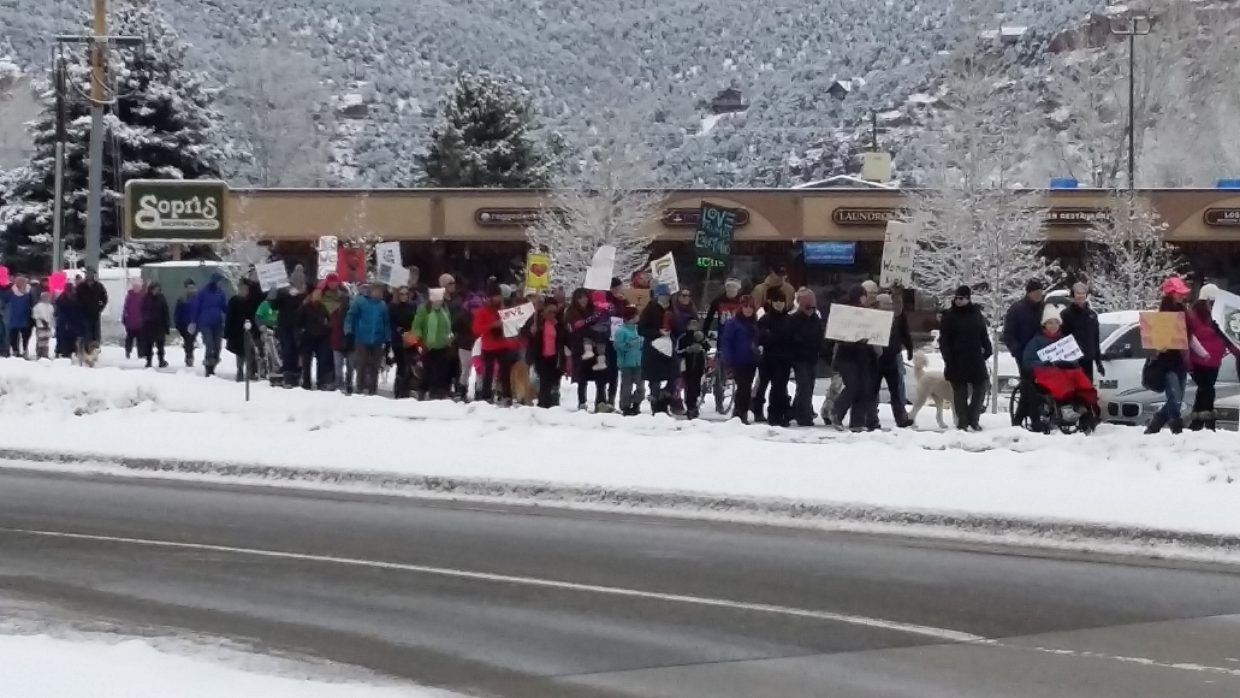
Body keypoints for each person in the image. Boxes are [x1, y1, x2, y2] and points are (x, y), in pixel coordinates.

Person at [1023, 304, 1100, 430]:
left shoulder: (1065, 340)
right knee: (1060, 378)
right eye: (1050, 323)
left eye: (1056, 323)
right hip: (1045, 371)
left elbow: (1074, 355)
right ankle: (1066, 407)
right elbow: (1027, 361)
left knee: (1079, 376)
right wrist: (1043, 363)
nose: (1053, 326)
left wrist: (1071, 362)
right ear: (1044, 324)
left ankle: (1086, 407)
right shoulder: (1036, 341)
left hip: (1065, 369)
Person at [1144, 277, 1197, 435]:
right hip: (1167, 363)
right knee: (1175, 398)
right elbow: (1156, 345)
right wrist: (1159, 346)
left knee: (1177, 398)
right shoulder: (1164, 315)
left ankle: (1160, 422)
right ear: (1171, 294)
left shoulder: (1184, 312)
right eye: (1179, 293)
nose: (1182, 296)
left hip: (1181, 362)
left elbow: (1189, 338)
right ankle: (1172, 427)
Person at [1186, 283, 1240, 431]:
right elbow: (1190, 338)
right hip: (1199, 361)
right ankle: (1209, 424)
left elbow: (1227, 338)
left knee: (1203, 391)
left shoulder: (1217, 317)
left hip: (1214, 363)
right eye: (1212, 302)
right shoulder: (1193, 316)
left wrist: (1237, 352)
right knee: (1208, 390)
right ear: (1206, 301)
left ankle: (1196, 424)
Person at [940, 285, 994, 432]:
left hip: (975, 358)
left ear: (968, 299)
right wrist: (948, 358)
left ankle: (974, 418)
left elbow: (983, 333)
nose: (958, 301)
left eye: (961, 298)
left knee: (981, 387)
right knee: (960, 393)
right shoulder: (949, 316)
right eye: (956, 298)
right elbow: (944, 339)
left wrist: (987, 348)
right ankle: (963, 422)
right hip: (956, 359)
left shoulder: (975, 313)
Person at [832, 286, 880, 431]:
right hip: (847, 357)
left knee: (864, 388)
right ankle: (836, 412)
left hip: (863, 356)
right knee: (853, 386)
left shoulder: (868, 314)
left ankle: (857, 422)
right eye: (863, 296)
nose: (865, 299)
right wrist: (856, 341)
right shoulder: (846, 313)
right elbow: (839, 337)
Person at [1003, 279, 1045, 426]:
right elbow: (1008, 334)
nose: (1039, 295)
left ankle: (1019, 419)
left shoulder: (1044, 308)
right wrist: (1018, 351)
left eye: (1040, 292)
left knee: (1035, 389)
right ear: (1029, 293)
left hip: (1043, 354)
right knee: (1029, 386)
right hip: (1024, 355)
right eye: (1036, 292)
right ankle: (1034, 420)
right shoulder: (1017, 309)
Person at [703, 278, 746, 413]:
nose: (731, 290)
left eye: (733, 288)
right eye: (729, 287)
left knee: (738, 371)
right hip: (723, 339)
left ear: (737, 289)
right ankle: (719, 401)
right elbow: (709, 317)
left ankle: (740, 400)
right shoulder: (719, 300)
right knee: (720, 371)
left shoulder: (742, 301)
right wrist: (704, 333)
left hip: (738, 340)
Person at [565, 288, 610, 412]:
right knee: (582, 378)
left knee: (600, 375)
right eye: (580, 297)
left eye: (585, 297)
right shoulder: (571, 312)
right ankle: (582, 402)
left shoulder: (594, 310)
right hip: (580, 348)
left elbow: (601, 323)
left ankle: (601, 401)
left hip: (596, 347)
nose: (583, 300)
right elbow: (573, 330)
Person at [638, 285, 680, 414]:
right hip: (653, 349)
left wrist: (673, 333)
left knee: (674, 376)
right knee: (654, 380)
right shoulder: (650, 309)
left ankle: (664, 401)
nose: (665, 298)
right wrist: (657, 332)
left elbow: (679, 328)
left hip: (668, 347)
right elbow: (641, 329)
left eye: (667, 295)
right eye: (662, 295)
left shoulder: (673, 309)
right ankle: (656, 408)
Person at [788, 287, 827, 427]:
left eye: (812, 307)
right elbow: (790, 339)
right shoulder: (794, 319)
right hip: (799, 358)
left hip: (812, 357)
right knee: (804, 386)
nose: (810, 310)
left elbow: (820, 336)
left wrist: (823, 350)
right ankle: (803, 415)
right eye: (807, 307)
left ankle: (798, 411)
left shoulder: (815, 319)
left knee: (808, 387)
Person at [346, 282, 392, 396]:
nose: (379, 293)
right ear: (371, 291)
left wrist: (387, 339)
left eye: (381, 291)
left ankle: (373, 389)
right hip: (362, 337)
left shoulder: (382, 305)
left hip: (378, 339)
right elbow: (350, 316)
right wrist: (348, 332)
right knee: (361, 364)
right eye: (377, 291)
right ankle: (360, 387)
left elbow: (386, 323)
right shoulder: (360, 301)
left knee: (375, 366)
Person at [471, 283, 514, 404]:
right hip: (489, 346)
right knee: (488, 372)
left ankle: (507, 395)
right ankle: (486, 396)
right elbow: (476, 330)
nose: (499, 299)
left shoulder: (504, 309)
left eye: (500, 296)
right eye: (497, 296)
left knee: (505, 372)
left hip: (503, 345)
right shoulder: (483, 312)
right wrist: (491, 326)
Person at [757, 289, 795, 427]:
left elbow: (794, 339)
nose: (779, 304)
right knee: (772, 387)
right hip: (769, 359)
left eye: (781, 301)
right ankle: (772, 415)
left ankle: (781, 414)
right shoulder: (765, 319)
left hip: (785, 359)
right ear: (771, 302)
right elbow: (759, 338)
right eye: (776, 301)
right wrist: (766, 337)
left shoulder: (790, 320)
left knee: (781, 388)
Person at [876, 293, 914, 428]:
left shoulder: (897, 317)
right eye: (884, 304)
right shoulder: (873, 317)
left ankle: (901, 417)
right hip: (876, 358)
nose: (887, 307)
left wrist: (909, 348)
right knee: (874, 390)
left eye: (889, 304)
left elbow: (905, 332)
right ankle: (871, 417)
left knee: (896, 390)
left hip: (892, 356)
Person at [720, 296, 760, 423]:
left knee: (747, 388)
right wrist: (728, 360)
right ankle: (739, 412)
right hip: (738, 360)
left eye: (750, 307)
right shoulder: (733, 323)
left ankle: (742, 412)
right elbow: (726, 342)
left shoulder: (755, 323)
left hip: (751, 360)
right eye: (745, 306)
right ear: (741, 308)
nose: (748, 310)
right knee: (743, 387)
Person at [412, 287, 455, 399]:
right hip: (428, 346)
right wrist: (419, 341)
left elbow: (448, 326)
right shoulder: (424, 310)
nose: (438, 302)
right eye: (436, 300)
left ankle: (437, 391)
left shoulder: (444, 310)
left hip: (442, 345)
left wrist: (450, 339)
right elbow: (417, 326)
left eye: (440, 300)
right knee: (427, 370)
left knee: (441, 370)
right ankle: (423, 390)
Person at [1059, 281, 1105, 382]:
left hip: (1088, 360)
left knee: (1087, 391)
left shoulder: (1092, 315)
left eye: (1083, 293)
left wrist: (1098, 362)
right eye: (1078, 293)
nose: (1081, 296)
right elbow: (1061, 339)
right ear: (1073, 296)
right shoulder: (1065, 315)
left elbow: (1095, 339)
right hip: (1072, 361)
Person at [528, 298, 568, 408]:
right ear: (544, 310)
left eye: (555, 312)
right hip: (541, 357)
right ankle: (543, 404)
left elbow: (566, 339)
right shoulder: (537, 322)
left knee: (554, 381)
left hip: (555, 358)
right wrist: (533, 332)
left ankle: (553, 403)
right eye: (550, 312)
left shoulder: (559, 324)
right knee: (544, 381)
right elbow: (529, 338)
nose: (552, 315)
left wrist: (562, 328)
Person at [189, 273, 228, 377]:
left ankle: (213, 364)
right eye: (219, 281)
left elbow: (224, 307)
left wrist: (232, 313)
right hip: (205, 323)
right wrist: (193, 321)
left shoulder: (220, 293)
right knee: (209, 344)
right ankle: (208, 366)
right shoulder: (203, 292)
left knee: (218, 346)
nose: (220, 283)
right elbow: (196, 307)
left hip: (217, 323)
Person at [296, 286, 333, 390]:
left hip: (321, 337)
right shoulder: (305, 307)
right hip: (308, 337)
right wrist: (302, 332)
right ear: (312, 295)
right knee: (307, 361)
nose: (318, 296)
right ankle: (306, 382)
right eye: (316, 294)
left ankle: (321, 381)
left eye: (320, 295)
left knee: (322, 360)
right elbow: (298, 322)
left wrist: (327, 328)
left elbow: (329, 319)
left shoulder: (323, 307)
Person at [323, 275, 354, 394]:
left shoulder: (347, 294)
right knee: (338, 365)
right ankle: (339, 384)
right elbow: (330, 312)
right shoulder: (327, 296)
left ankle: (349, 382)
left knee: (350, 365)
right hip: (336, 334)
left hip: (348, 335)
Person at [224, 280, 260, 382]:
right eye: (242, 289)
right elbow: (229, 317)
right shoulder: (234, 301)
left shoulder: (251, 301)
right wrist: (227, 332)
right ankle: (240, 370)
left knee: (249, 351)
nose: (244, 291)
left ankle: (250, 372)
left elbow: (254, 315)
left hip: (249, 330)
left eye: (246, 289)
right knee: (240, 353)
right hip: (236, 331)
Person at [613, 305, 645, 416]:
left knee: (641, 386)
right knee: (626, 386)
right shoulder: (621, 331)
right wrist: (628, 344)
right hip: (626, 362)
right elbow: (617, 346)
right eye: (636, 315)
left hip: (639, 362)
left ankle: (636, 403)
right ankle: (625, 406)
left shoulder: (638, 329)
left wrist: (641, 343)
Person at [389, 286, 419, 398]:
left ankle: (406, 389)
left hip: (410, 338)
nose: (404, 296)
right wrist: (398, 330)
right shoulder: (393, 307)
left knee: (409, 364)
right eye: (402, 294)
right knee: (401, 365)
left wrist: (413, 331)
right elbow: (391, 322)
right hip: (397, 339)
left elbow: (416, 320)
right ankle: (399, 390)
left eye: (406, 293)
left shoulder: (413, 306)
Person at [677, 317, 710, 419]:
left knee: (696, 388)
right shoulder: (683, 338)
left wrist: (703, 341)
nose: (693, 327)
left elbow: (707, 347)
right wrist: (688, 350)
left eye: (695, 324)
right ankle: (691, 407)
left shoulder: (700, 336)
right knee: (689, 387)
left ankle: (694, 405)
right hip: (687, 366)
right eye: (691, 324)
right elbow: (678, 351)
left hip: (699, 367)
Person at [1, 275, 35, 357]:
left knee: (25, 337)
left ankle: (24, 350)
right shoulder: (11, 292)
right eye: (19, 282)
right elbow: (3, 301)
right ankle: (16, 351)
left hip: (25, 318)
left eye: (23, 282)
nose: (22, 284)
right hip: (13, 318)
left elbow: (33, 303)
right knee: (14, 336)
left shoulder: (29, 293)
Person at [139, 282, 170, 368]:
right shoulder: (146, 298)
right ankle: (149, 361)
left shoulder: (161, 298)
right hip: (149, 325)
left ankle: (161, 360)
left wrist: (166, 325)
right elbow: (142, 311)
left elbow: (165, 311)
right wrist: (144, 321)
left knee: (160, 345)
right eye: (155, 289)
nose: (156, 291)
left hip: (159, 325)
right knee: (149, 345)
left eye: (158, 289)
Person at [76, 267, 109, 346]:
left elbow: (104, 298)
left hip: (95, 313)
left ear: (93, 275)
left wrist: (100, 307)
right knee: (86, 333)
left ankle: (94, 351)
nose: (89, 275)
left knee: (95, 334)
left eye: (90, 273)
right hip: (84, 314)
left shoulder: (99, 286)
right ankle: (85, 351)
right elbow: (76, 299)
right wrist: (79, 308)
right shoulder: (81, 287)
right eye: (87, 273)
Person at [54, 285, 83, 359]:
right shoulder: (62, 299)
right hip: (64, 323)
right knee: (63, 340)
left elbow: (78, 311)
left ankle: (70, 353)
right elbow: (59, 312)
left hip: (73, 322)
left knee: (72, 339)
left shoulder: (76, 298)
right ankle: (63, 354)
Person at [174, 280, 198, 367]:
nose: (191, 290)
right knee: (188, 341)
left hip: (194, 323)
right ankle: (189, 356)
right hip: (183, 324)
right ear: (185, 288)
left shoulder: (197, 299)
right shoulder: (181, 299)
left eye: (192, 288)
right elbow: (177, 312)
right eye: (189, 288)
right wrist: (177, 323)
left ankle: (189, 356)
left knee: (190, 341)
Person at [121, 280, 146, 360]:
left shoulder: (142, 296)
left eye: (138, 287)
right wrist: (124, 319)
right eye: (135, 287)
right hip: (130, 322)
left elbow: (145, 309)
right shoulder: (129, 296)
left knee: (141, 339)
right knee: (129, 339)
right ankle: (128, 352)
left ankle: (141, 354)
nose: (136, 288)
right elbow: (125, 308)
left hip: (140, 322)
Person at [32, 291, 55, 360]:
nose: (47, 299)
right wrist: (41, 320)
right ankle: (39, 353)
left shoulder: (51, 307)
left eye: (48, 297)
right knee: (40, 340)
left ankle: (45, 354)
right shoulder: (38, 306)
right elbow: (35, 315)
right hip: (40, 325)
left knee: (46, 341)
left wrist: (51, 324)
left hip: (48, 326)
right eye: (45, 297)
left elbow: (52, 316)